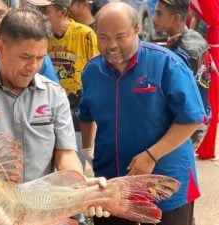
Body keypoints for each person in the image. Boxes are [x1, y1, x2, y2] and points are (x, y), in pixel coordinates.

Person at [0, 7, 108, 224]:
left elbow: (65, 154)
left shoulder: (54, 95)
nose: (33, 66)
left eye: (40, 57)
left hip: (44, 214)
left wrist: (81, 190)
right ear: (0, 49)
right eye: (25, 57)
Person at [78, 2, 204, 225]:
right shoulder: (92, 72)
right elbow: (86, 114)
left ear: (137, 30)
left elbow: (192, 118)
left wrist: (151, 155)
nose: (111, 46)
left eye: (120, 36)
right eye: (104, 38)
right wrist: (88, 150)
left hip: (166, 182)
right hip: (113, 184)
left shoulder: (166, 63)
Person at [27, 0, 99, 172]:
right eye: (37, 9)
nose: (39, 14)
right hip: (44, 112)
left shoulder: (85, 35)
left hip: (77, 112)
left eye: (45, 10)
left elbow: (97, 75)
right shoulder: (41, 37)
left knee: (73, 169)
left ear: (63, 12)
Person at [153, 0, 210, 150]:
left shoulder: (180, 54)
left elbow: (171, 93)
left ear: (176, 18)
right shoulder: (195, 37)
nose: (153, 19)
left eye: (159, 14)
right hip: (199, 116)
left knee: (174, 170)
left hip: (185, 124)